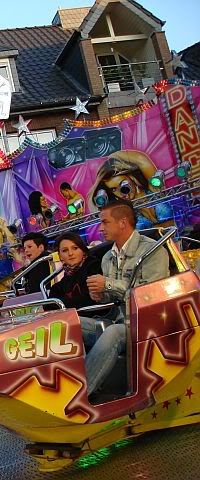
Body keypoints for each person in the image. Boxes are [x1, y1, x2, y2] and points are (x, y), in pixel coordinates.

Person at [83, 199, 170, 396]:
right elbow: (111, 299)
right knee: (69, 324)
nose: (100, 228)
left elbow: (151, 294)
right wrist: (99, 295)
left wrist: (108, 284)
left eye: (105, 222)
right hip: (119, 320)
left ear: (123, 222)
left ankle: (81, 396)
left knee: (113, 332)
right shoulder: (107, 257)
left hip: (148, 323)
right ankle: (65, 385)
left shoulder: (152, 250)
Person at [88, 150, 174, 229]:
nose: (121, 192)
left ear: (132, 177)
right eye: (113, 189)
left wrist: (111, 157)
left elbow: (141, 160)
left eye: (122, 184)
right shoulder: (125, 213)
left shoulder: (154, 188)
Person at [48, 233, 102, 309]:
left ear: (83, 250)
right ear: (60, 256)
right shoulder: (67, 275)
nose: (70, 253)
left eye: (75, 248)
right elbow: (50, 303)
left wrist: (58, 303)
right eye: (65, 250)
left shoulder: (93, 266)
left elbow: (90, 300)